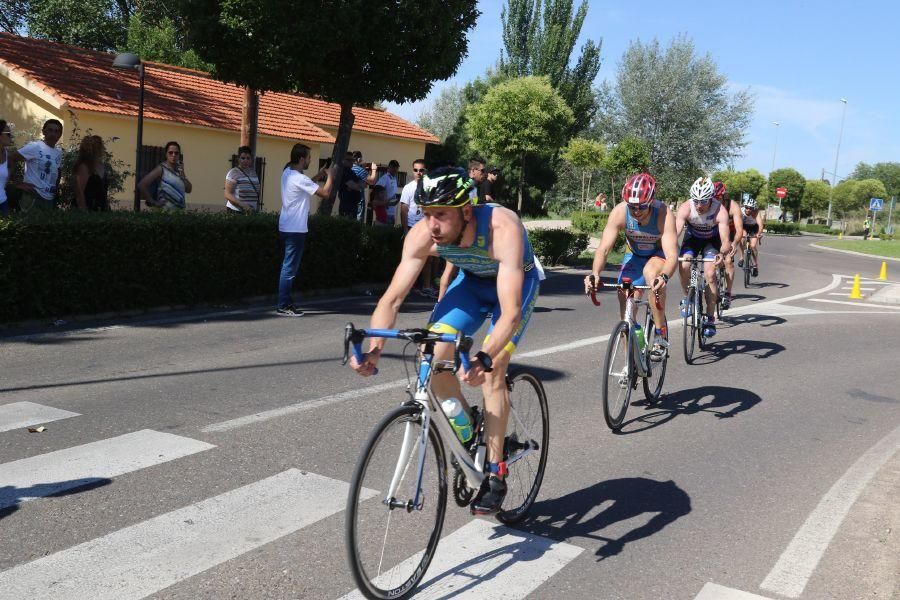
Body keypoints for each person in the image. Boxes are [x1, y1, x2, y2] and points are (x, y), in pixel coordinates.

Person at [349, 167, 541, 515]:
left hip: (515, 287)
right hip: (471, 284)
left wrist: (483, 356)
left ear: (467, 212)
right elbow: (391, 300)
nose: (431, 224)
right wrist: (375, 349)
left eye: (441, 215)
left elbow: (510, 313)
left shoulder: (502, 227)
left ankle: (496, 473)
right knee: (430, 354)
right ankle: (468, 431)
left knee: (494, 371)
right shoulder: (423, 235)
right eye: (426, 213)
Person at [584, 172, 677, 359]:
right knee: (624, 293)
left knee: (651, 275)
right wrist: (594, 274)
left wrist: (664, 276)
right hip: (634, 255)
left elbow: (673, 255)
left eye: (641, 207)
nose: (636, 211)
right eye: (632, 206)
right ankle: (631, 359)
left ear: (651, 201)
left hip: (658, 256)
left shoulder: (663, 214)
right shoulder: (619, 212)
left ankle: (660, 335)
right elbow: (603, 249)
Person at [276, 143, 335, 316]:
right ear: (302, 159)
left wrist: (319, 174)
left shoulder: (288, 172)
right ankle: (284, 304)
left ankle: (285, 302)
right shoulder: (298, 178)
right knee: (289, 268)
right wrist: (330, 176)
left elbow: (306, 184)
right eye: (309, 157)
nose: (310, 160)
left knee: (287, 266)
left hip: (286, 225)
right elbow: (325, 194)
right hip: (296, 228)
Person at [675, 176, 732, 338]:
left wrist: (722, 254)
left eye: (704, 201)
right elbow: (675, 233)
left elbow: (725, 240)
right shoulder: (686, 207)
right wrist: (669, 250)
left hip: (712, 242)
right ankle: (687, 298)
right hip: (692, 239)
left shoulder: (719, 210)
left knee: (710, 274)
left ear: (711, 198)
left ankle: (710, 318)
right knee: (684, 265)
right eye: (696, 201)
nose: (699, 206)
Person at [399, 159, 438, 298]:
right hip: (412, 226)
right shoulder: (408, 188)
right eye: (416, 170)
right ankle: (409, 286)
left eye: (421, 170)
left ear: (425, 171)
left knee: (429, 257)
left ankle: (426, 286)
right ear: (412, 170)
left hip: (426, 226)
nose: (418, 173)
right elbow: (403, 209)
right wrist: (405, 230)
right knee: (411, 257)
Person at [8, 118, 63, 211]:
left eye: (57, 131)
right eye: (50, 130)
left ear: (60, 134)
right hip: (33, 195)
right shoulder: (35, 146)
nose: (53, 134)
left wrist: (56, 188)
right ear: (43, 131)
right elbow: (12, 158)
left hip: (49, 198)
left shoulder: (58, 152)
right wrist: (17, 183)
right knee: (29, 225)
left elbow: (57, 171)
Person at [139, 141, 192, 210]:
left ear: (179, 155)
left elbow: (188, 189)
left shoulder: (179, 171)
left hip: (179, 215)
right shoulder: (161, 169)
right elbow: (142, 185)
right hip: (164, 214)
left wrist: (183, 174)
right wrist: (154, 202)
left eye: (176, 153)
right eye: (170, 152)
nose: (173, 155)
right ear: (166, 154)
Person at [714, 181, 742, 309]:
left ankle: (727, 293)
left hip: (730, 235)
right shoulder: (711, 206)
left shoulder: (733, 206)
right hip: (715, 234)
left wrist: (735, 244)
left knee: (728, 261)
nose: (716, 201)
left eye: (719, 198)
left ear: (724, 197)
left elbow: (739, 230)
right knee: (712, 260)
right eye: (714, 198)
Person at [73, 135, 109, 211]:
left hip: (101, 209)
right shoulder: (84, 167)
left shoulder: (101, 166)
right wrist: (84, 211)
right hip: (88, 209)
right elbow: (79, 192)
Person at [224, 146, 261, 213]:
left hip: (251, 211)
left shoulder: (254, 173)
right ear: (238, 159)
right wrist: (243, 205)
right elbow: (227, 194)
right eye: (243, 158)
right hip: (236, 211)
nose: (245, 160)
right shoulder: (233, 173)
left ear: (251, 159)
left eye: (248, 158)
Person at [737, 196, 764, 276]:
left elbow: (760, 225)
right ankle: (741, 258)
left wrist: (759, 234)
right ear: (744, 206)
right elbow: (737, 223)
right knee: (742, 239)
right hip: (744, 226)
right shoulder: (740, 211)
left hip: (754, 228)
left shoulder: (756, 212)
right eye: (747, 207)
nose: (748, 209)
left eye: (751, 208)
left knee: (752, 246)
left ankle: (755, 265)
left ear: (754, 208)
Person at [351, 151, 379, 222]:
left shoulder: (351, 168)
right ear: (359, 159)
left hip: (351, 199)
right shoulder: (358, 169)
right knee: (358, 222)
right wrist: (374, 169)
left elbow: (364, 183)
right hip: (358, 199)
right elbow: (372, 181)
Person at [337, 152, 364, 218]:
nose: (351, 162)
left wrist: (357, 185)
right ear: (343, 160)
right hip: (346, 206)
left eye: (352, 160)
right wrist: (357, 185)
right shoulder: (343, 172)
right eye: (349, 160)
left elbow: (362, 185)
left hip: (354, 206)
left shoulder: (352, 172)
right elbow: (356, 186)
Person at [375, 159, 401, 225]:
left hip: (392, 212)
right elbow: (377, 189)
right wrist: (384, 202)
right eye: (393, 167)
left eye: (396, 167)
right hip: (384, 212)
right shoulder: (385, 178)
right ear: (389, 167)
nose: (395, 169)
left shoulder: (394, 178)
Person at [0, 120, 12, 217]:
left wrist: (17, 184)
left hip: (3, 203)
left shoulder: (6, 154)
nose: (11, 137)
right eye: (8, 134)